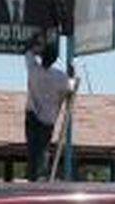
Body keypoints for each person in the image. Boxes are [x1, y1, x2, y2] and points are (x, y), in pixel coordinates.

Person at [24, 32, 74, 181]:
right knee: (43, 149)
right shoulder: (60, 77)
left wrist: (36, 40)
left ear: (42, 57)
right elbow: (70, 90)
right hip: (48, 119)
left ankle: (34, 176)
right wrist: (71, 74)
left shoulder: (33, 70)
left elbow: (27, 50)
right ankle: (40, 174)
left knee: (32, 150)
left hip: (32, 117)